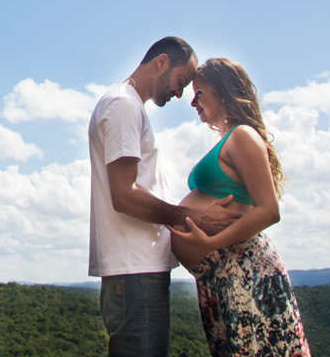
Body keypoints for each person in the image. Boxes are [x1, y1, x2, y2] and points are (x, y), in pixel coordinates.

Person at [88, 37, 241, 357]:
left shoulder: (127, 106)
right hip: (135, 272)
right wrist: (197, 217)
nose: (181, 93)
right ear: (161, 62)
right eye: (181, 81)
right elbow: (124, 196)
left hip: (138, 271)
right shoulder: (122, 105)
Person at [169, 58, 310, 357]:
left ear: (222, 92)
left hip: (246, 270)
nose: (193, 101)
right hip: (222, 276)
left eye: (200, 93)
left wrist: (209, 242)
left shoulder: (242, 136)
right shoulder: (227, 140)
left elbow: (269, 210)